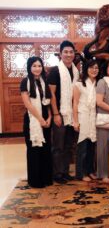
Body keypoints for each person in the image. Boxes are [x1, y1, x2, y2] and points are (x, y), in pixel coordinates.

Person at [48, 40, 79, 184]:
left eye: (71, 52)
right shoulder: (55, 71)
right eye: (65, 52)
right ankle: (58, 173)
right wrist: (55, 114)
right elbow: (52, 94)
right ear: (60, 54)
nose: (68, 54)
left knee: (68, 145)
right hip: (60, 113)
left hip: (71, 114)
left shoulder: (75, 70)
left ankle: (65, 171)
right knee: (58, 145)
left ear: (74, 54)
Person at [20, 56, 53, 188]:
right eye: (34, 66)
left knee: (46, 149)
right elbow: (27, 103)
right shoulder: (25, 82)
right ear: (29, 67)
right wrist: (40, 119)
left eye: (39, 66)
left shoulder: (44, 81)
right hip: (33, 120)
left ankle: (46, 178)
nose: (37, 68)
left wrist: (49, 117)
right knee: (34, 150)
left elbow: (48, 102)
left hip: (46, 119)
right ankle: (35, 180)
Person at [73, 59, 100, 182]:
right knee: (82, 147)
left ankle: (90, 170)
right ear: (86, 69)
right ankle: (81, 173)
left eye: (96, 68)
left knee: (91, 147)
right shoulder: (79, 84)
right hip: (82, 116)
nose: (94, 70)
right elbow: (75, 103)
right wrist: (75, 121)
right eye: (91, 68)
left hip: (93, 116)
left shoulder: (98, 84)